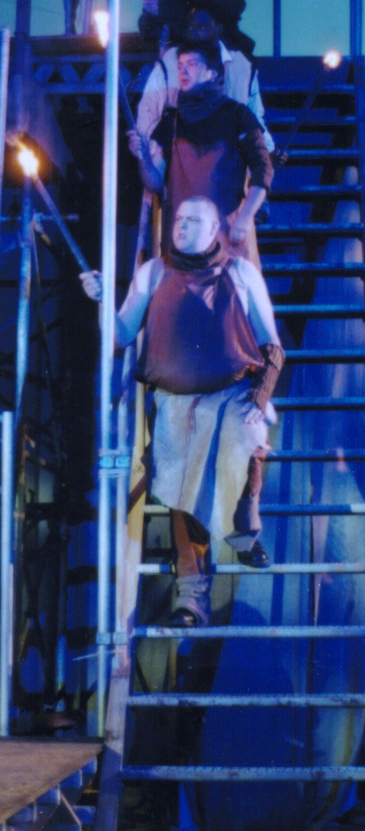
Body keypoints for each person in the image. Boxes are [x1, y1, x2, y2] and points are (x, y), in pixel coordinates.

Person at [80, 196, 284, 627]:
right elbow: (120, 334)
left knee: (247, 440)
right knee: (181, 490)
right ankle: (191, 598)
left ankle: (243, 532)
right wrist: (102, 301)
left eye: (193, 221)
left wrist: (260, 396)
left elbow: (272, 345)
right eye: (178, 219)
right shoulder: (153, 272)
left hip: (231, 393)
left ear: (213, 231)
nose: (181, 226)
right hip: (175, 400)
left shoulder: (240, 272)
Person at [128, 39, 273, 264]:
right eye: (180, 65)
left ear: (213, 72)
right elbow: (154, 182)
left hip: (226, 241)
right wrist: (144, 158)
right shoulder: (171, 122)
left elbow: (263, 169)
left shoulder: (238, 115)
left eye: (192, 64)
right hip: (181, 249)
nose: (183, 71)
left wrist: (245, 217)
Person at [136, 3, 275, 152]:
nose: (194, 34)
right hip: (181, 155)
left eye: (202, 28)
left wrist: (269, 151)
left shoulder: (242, 66)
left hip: (229, 156)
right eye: (190, 29)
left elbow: (255, 116)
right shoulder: (169, 61)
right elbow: (148, 111)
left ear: (219, 29)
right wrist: (151, 155)